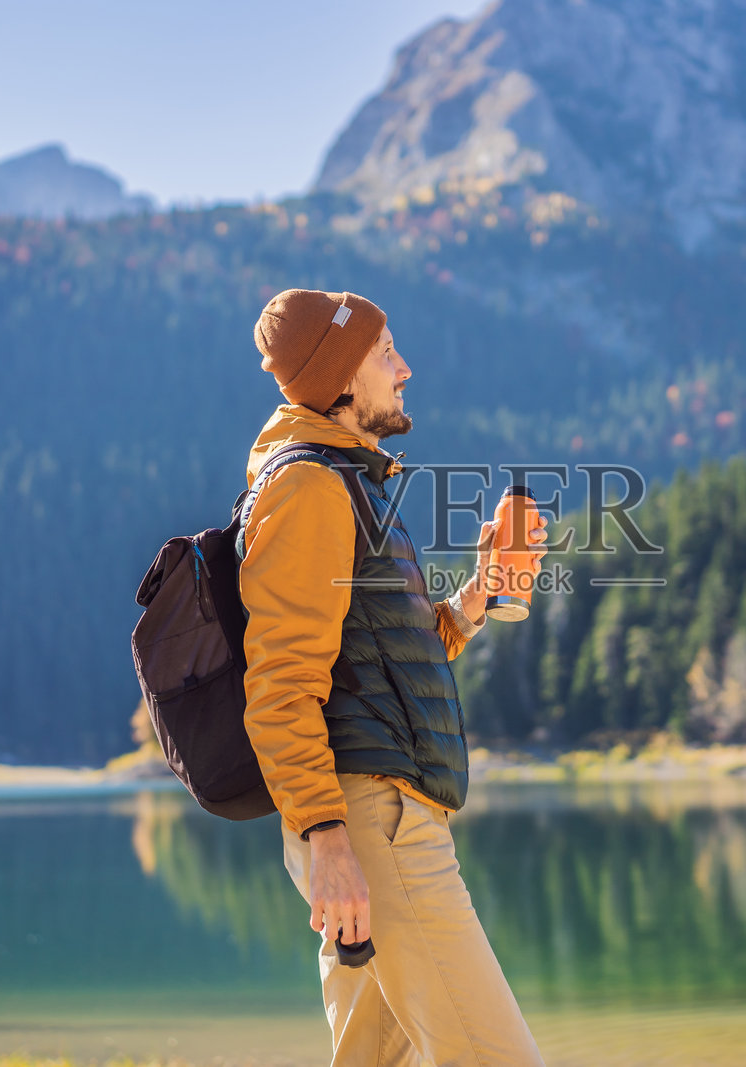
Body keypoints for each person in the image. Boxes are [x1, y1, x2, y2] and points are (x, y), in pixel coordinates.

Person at [239, 288, 548, 1066]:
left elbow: (379, 665)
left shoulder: (349, 482)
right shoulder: (308, 486)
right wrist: (329, 839)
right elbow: (280, 681)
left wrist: (471, 601)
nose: (404, 368)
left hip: (375, 816)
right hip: (372, 824)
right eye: (384, 353)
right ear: (340, 377)